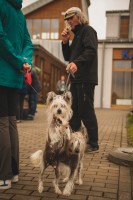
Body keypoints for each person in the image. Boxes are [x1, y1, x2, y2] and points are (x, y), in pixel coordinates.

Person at [0, 0, 34, 189]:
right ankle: (13, 173)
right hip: (15, 77)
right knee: (11, 123)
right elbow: (28, 43)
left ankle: (2, 176)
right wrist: (24, 61)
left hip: (2, 73)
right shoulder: (20, 14)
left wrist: (16, 61)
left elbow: (0, 38)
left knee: (2, 124)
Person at [61, 7, 99, 153]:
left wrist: (77, 63)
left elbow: (91, 51)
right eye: (67, 19)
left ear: (79, 16)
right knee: (74, 111)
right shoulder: (76, 36)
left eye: (71, 18)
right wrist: (65, 42)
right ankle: (75, 140)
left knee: (86, 110)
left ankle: (94, 143)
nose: (69, 22)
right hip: (76, 80)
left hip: (86, 78)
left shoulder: (88, 31)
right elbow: (68, 57)